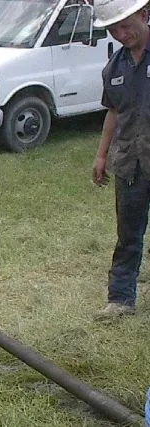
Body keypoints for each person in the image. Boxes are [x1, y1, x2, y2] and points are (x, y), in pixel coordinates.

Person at [91, 0, 150, 319]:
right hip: (129, 163)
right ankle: (121, 300)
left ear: (144, 14)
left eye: (126, 25)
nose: (121, 34)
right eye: (114, 29)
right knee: (128, 234)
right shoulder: (114, 67)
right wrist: (102, 155)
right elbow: (113, 112)